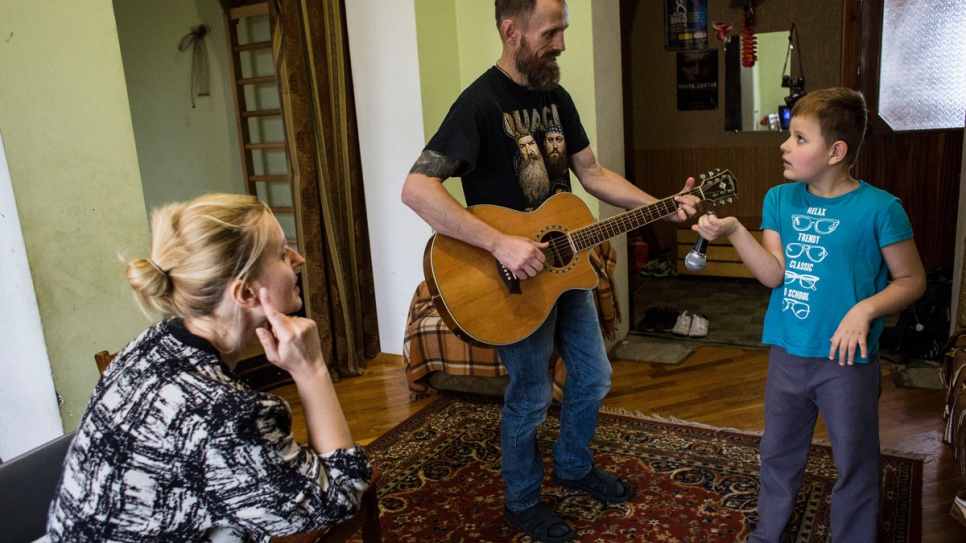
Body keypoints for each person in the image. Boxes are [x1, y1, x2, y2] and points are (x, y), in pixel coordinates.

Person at [401, 1, 699, 541]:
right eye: (552, 31)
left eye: (563, 30)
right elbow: (416, 189)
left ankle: (573, 465)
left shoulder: (555, 97)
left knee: (594, 376)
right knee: (533, 394)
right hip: (508, 283)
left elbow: (591, 173)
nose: (561, 42)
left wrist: (662, 203)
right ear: (511, 30)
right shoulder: (479, 103)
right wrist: (500, 244)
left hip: (563, 270)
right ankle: (521, 499)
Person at [47, 194, 372, 542]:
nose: (298, 259)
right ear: (246, 293)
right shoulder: (227, 414)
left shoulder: (154, 340)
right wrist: (312, 370)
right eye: (281, 254)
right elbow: (339, 495)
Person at [693, 88, 926, 543]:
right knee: (778, 452)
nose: (784, 145)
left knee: (856, 461)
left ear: (836, 151)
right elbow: (773, 275)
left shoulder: (881, 209)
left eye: (800, 138)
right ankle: (768, 534)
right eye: (788, 135)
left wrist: (866, 308)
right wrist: (736, 231)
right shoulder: (779, 199)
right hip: (787, 353)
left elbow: (912, 280)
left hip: (847, 363)